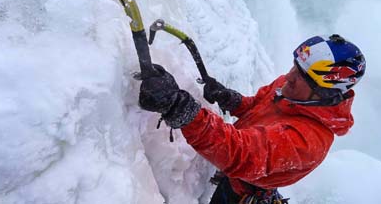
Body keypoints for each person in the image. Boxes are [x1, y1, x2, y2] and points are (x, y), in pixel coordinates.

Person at [138, 34, 366, 204]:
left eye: (301, 76)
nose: (288, 77)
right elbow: (257, 106)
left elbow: (239, 153)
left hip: (243, 193)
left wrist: (181, 108)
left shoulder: (308, 142)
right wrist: (231, 99)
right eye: (295, 67)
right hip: (239, 180)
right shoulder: (291, 90)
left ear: (324, 92)